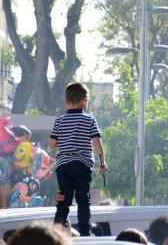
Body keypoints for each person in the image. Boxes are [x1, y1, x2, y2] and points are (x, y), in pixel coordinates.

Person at [49, 82, 107, 236]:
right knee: (83, 200)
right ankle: (85, 233)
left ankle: (55, 233)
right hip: (83, 165)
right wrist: (102, 162)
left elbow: (52, 143)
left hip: (64, 166)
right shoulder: (90, 120)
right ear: (84, 100)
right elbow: (97, 142)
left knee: (63, 201)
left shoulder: (59, 120)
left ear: (66, 102)